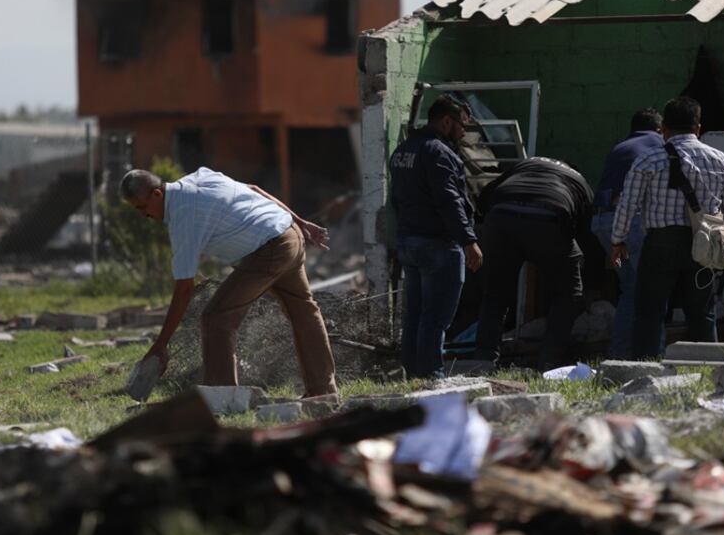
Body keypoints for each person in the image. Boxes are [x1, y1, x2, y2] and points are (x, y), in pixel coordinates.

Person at [121, 167, 338, 397]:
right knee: (304, 310)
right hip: (289, 233)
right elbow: (254, 190)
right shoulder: (200, 177)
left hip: (269, 250)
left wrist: (159, 346)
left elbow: (184, 289)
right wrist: (300, 221)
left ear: (156, 195)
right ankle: (323, 390)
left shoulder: (183, 216)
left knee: (216, 317)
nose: (143, 215)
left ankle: (223, 398)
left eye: (143, 208)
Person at [610, 97, 724, 358]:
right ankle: (709, 371)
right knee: (702, 313)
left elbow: (628, 204)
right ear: (698, 129)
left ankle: (645, 370)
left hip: (661, 244)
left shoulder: (648, 160)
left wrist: (618, 240)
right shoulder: (720, 160)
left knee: (650, 311)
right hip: (704, 245)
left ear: (664, 130)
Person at [389, 95, 484, 378]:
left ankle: (412, 373)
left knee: (415, 316)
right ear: (446, 122)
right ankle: (431, 376)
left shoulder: (404, 150)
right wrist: (469, 241)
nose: (464, 132)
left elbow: (396, 199)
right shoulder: (439, 153)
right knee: (436, 318)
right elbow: (449, 201)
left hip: (409, 242)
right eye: (461, 125)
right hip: (437, 245)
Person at [472, 157, 594, 370]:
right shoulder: (579, 181)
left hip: (500, 218)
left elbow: (483, 199)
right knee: (568, 294)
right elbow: (583, 232)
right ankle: (550, 362)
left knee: (495, 295)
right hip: (550, 218)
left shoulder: (525, 164)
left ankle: (483, 360)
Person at [591, 108, 663, 358]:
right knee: (652, 288)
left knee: (630, 287)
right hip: (630, 228)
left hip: (606, 232)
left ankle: (619, 354)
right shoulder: (657, 143)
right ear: (659, 128)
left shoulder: (620, 147)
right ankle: (653, 356)